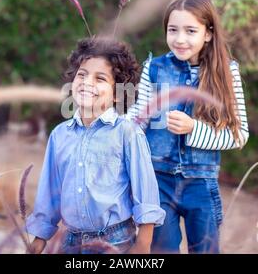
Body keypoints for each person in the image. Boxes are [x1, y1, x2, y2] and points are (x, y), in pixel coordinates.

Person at [127, 0, 249, 253]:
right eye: (173, 30)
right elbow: (140, 117)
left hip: (201, 184)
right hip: (157, 182)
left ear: (208, 33)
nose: (180, 39)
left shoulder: (228, 72)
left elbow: (238, 135)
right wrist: (112, 128)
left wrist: (194, 128)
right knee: (161, 250)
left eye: (190, 30)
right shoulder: (155, 68)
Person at [26, 36, 165, 254]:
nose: (87, 83)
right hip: (69, 241)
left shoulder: (127, 133)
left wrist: (143, 244)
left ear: (118, 93)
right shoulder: (60, 135)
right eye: (82, 75)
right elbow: (50, 192)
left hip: (115, 241)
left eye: (100, 78)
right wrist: (40, 237)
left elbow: (145, 192)